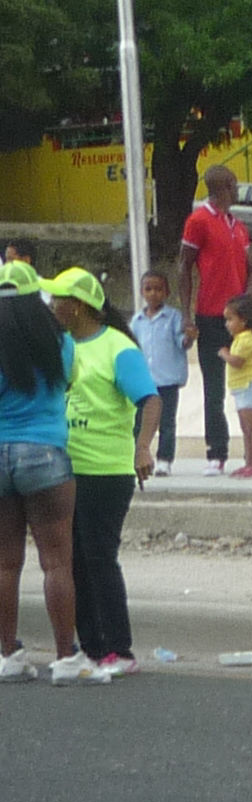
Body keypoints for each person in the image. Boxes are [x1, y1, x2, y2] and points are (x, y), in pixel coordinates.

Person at [45, 267, 156, 679]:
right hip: (65, 468)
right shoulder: (61, 345)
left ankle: (118, 648)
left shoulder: (116, 348)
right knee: (72, 559)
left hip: (106, 470)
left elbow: (150, 398)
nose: (53, 306)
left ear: (77, 307)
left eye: (58, 300)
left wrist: (142, 446)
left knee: (98, 556)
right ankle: (91, 648)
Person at [0, 260, 101, 684]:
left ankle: (7, 655)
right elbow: (70, 382)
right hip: (45, 454)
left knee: (6, 565)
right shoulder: (59, 342)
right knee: (57, 563)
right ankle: (65, 657)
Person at [177, 164, 252, 476]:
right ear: (224, 187)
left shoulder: (238, 224)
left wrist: (248, 302)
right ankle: (216, 452)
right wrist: (185, 314)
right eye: (234, 185)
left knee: (250, 382)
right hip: (210, 315)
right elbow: (183, 266)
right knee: (214, 386)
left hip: (240, 317)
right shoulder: (199, 221)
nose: (237, 191)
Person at [132, 270, 190, 475]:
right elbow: (131, 347)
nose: (153, 293)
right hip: (144, 382)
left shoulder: (174, 317)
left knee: (166, 422)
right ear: (142, 292)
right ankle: (136, 456)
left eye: (158, 289)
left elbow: (182, 342)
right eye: (148, 289)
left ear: (166, 292)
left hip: (167, 381)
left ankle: (164, 459)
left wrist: (189, 337)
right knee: (139, 421)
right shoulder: (137, 320)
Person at [220, 294, 252, 479]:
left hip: (250, 388)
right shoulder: (240, 338)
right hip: (241, 389)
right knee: (246, 429)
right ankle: (248, 462)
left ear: (244, 320)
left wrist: (224, 354)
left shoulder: (248, 339)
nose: (227, 324)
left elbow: (237, 361)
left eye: (230, 319)